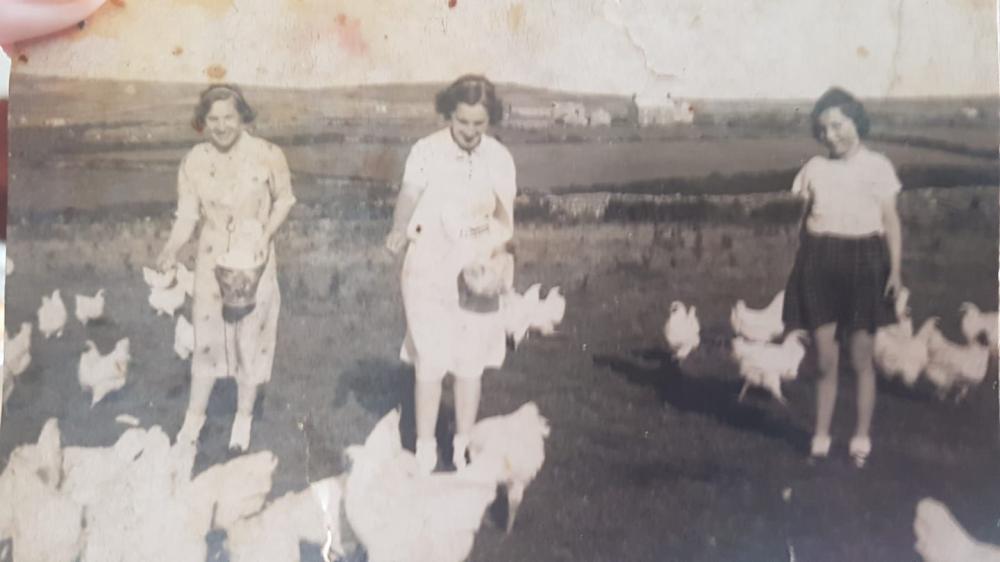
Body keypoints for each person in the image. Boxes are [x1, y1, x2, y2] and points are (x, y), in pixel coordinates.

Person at [385, 74, 517, 474]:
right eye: (463, 123)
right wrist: (397, 229)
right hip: (428, 264)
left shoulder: (498, 157)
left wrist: (493, 261)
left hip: (476, 269)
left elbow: (504, 217)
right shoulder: (426, 151)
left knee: (470, 358)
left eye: (480, 124)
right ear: (448, 115)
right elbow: (409, 194)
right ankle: (424, 448)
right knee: (430, 356)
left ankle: (462, 445)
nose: (471, 132)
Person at [157, 84, 296, 452]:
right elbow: (187, 214)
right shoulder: (195, 160)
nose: (220, 126)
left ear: (242, 117)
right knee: (206, 342)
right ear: (203, 121)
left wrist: (266, 234)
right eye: (212, 119)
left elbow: (285, 199)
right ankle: (193, 424)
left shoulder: (267, 154)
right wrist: (172, 248)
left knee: (249, 341)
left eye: (228, 118)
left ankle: (243, 421)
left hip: (254, 262)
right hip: (210, 262)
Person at [782, 87, 904, 468]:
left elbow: (891, 222)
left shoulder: (879, 166)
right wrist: (801, 264)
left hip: (865, 260)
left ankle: (860, 437)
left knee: (861, 357)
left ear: (856, 122)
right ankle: (820, 435)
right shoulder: (814, 169)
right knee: (823, 359)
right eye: (823, 129)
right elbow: (800, 223)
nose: (831, 135)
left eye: (838, 125)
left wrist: (895, 270)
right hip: (818, 262)